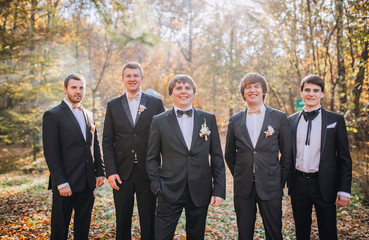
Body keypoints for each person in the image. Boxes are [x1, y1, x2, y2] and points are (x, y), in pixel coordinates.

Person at [146, 74, 226, 240]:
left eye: (187, 88)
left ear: (193, 92)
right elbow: (152, 157)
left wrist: (219, 189)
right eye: (179, 88)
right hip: (168, 188)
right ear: (171, 93)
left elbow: (217, 156)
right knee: (161, 236)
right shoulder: (159, 121)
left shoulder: (208, 119)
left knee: (196, 236)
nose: (184, 91)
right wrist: (156, 185)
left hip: (200, 189)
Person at [225, 72, 292, 240]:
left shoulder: (278, 117)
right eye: (248, 87)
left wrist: (279, 180)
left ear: (263, 91)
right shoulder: (235, 120)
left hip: (271, 185)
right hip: (244, 187)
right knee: (244, 234)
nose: (252, 90)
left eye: (256, 86)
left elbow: (287, 153)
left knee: (274, 232)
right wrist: (241, 175)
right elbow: (229, 154)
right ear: (243, 93)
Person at [103, 62, 165, 239]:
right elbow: (107, 141)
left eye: (135, 75)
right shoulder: (113, 105)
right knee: (122, 220)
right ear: (123, 79)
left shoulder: (155, 104)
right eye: (128, 76)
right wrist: (111, 171)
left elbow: (164, 139)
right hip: (121, 173)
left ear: (142, 78)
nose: (132, 79)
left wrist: (162, 170)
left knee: (149, 220)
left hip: (149, 171)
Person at [288, 75, 352, 240]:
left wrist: (344, 189)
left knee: (328, 231)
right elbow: (286, 155)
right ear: (301, 93)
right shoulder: (291, 121)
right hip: (298, 183)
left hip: (325, 183)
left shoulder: (335, 120)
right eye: (307, 90)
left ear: (322, 94)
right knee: (301, 231)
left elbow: (344, 157)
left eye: (316, 90)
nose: (311, 94)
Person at [42, 73, 105, 240]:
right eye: (74, 87)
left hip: (87, 181)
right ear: (65, 89)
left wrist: (100, 171)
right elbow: (51, 152)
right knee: (60, 228)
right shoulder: (53, 115)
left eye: (81, 87)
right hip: (66, 183)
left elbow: (94, 145)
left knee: (83, 227)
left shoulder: (89, 114)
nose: (78, 91)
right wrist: (61, 182)